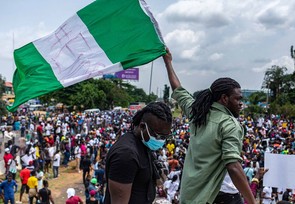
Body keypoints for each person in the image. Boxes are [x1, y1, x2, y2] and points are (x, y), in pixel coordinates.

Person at [163, 48, 256, 204]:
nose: (241, 104)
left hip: (192, 195)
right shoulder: (229, 124)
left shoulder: (197, 112)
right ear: (224, 98)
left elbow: (178, 90)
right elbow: (233, 166)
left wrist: (168, 62)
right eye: (238, 99)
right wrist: (253, 202)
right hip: (221, 196)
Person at [104, 102, 172, 204]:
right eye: (158, 136)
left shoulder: (143, 144)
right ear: (142, 126)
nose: (161, 140)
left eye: (165, 137)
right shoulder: (126, 154)